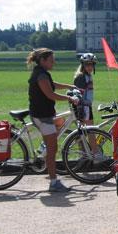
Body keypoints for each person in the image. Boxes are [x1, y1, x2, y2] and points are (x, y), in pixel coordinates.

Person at [27, 48, 79, 192]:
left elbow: (52, 84)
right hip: (42, 116)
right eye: (51, 60)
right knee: (52, 149)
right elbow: (50, 94)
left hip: (45, 114)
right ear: (43, 61)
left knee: (57, 129)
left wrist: (69, 86)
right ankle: (54, 182)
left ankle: (43, 151)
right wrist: (70, 98)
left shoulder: (43, 74)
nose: (54, 62)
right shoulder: (41, 75)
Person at [73, 53, 103, 160]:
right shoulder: (81, 77)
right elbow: (78, 95)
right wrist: (81, 110)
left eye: (92, 64)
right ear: (83, 65)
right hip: (83, 107)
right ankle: (96, 154)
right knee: (91, 132)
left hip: (86, 106)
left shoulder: (87, 76)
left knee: (84, 132)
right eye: (87, 65)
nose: (90, 67)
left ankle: (83, 154)